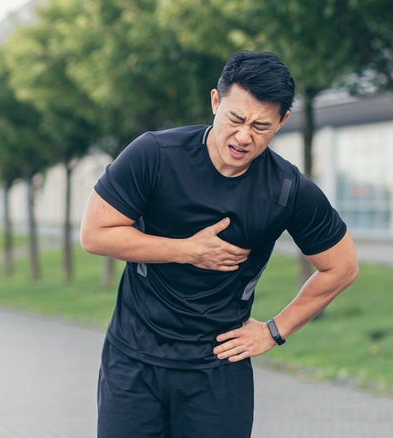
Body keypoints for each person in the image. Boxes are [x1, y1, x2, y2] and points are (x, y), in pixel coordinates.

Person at [80, 50, 358, 438]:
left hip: (218, 370)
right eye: (236, 119)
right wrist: (186, 249)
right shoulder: (155, 155)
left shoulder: (287, 190)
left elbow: (342, 267)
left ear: (281, 122)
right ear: (215, 101)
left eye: (261, 126)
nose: (244, 136)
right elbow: (94, 234)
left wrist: (274, 331)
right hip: (133, 361)